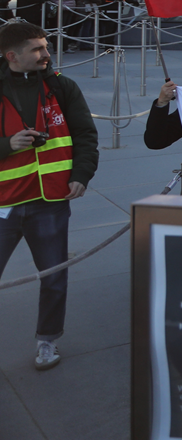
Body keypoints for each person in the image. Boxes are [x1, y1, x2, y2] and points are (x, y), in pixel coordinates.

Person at [0, 21, 99, 370]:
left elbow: (86, 135)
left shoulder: (63, 87)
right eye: (37, 49)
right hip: (5, 202)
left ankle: (47, 341)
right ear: (12, 56)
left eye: (46, 46)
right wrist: (7, 146)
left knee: (54, 276)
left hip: (50, 202)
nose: (46, 54)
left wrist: (81, 174)